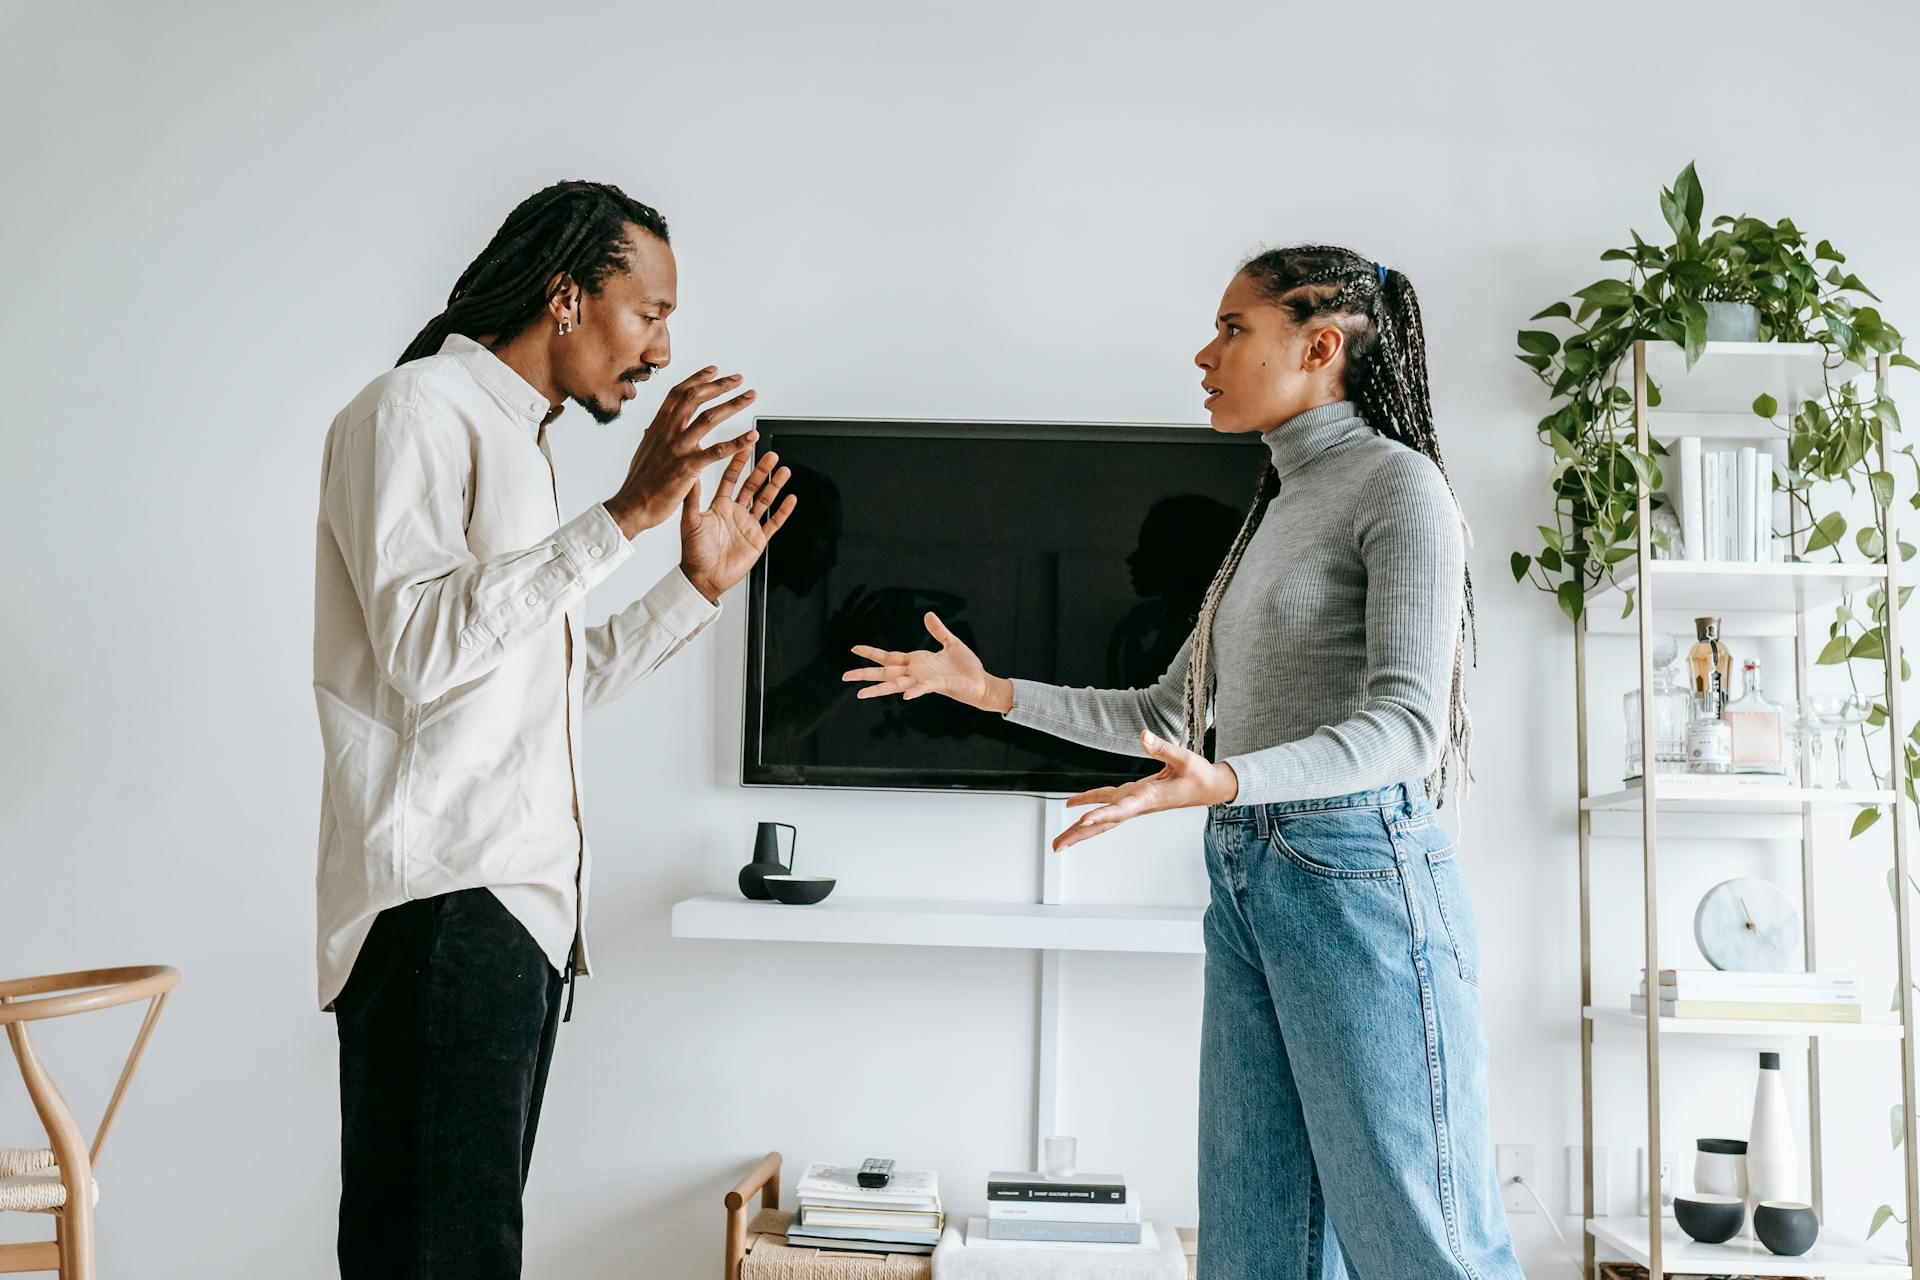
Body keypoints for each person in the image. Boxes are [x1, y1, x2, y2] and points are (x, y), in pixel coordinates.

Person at [842, 244, 1520, 1277]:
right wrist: (990, 692)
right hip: (1250, 879)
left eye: (1234, 328)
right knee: (1254, 1249)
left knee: (1419, 1245)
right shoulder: (1275, 509)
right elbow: (1168, 710)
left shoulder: (1401, 489)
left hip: (1361, 883)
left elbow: (1407, 728)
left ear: (1320, 344)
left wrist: (1234, 779)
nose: (1206, 352)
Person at [312, 179, 794, 1277]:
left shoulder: (521, 447)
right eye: (650, 311)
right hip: (445, 906)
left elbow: (541, 687)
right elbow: (424, 648)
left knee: (463, 1253)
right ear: (567, 295)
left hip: (509, 919)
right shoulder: (415, 412)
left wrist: (694, 587)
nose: (663, 349)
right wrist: (624, 512)